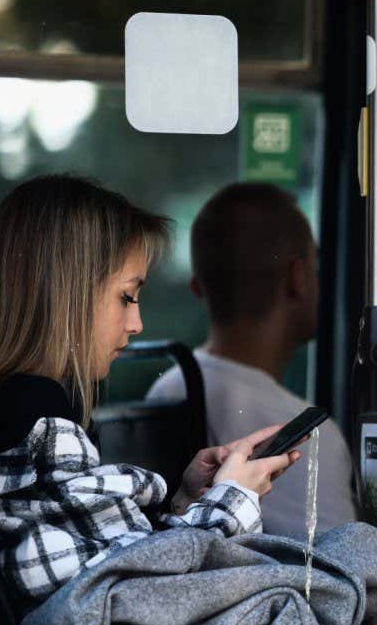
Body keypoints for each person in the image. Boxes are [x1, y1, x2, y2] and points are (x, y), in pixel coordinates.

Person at [0, 175, 299, 607]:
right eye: (126, 297)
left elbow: (98, 549)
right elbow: (145, 592)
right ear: (69, 294)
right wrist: (232, 498)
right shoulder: (37, 418)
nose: (137, 324)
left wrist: (185, 501)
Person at [147, 183, 358, 539]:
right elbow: (338, 571)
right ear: (298, 279)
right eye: (315, 265)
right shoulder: (311, 436)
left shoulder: (165, 387)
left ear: (197, 287)